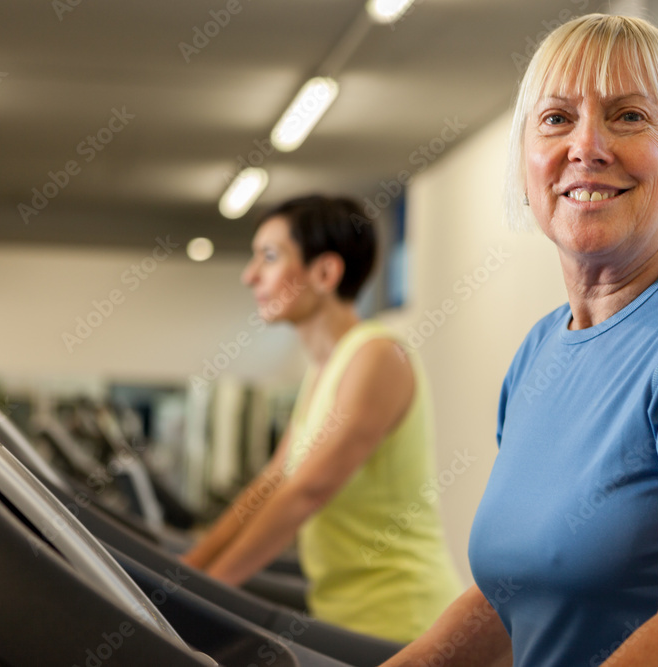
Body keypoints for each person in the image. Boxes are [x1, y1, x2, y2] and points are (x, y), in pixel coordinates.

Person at [381, 13, 658, 667]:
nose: (587, 146)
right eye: (557, 118)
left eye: (629, 116)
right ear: (527, 163)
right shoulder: (540, 350)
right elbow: (511, 596)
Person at [182, 195, 462, 643]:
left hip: (403, 621)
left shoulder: (376, 356)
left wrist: (202, 595)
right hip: (345, 614)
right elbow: (274, 482)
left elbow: (306, 492)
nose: (250, 275)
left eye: (269, 258)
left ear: (325, 273)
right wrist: (184, 573)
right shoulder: (322, 370)